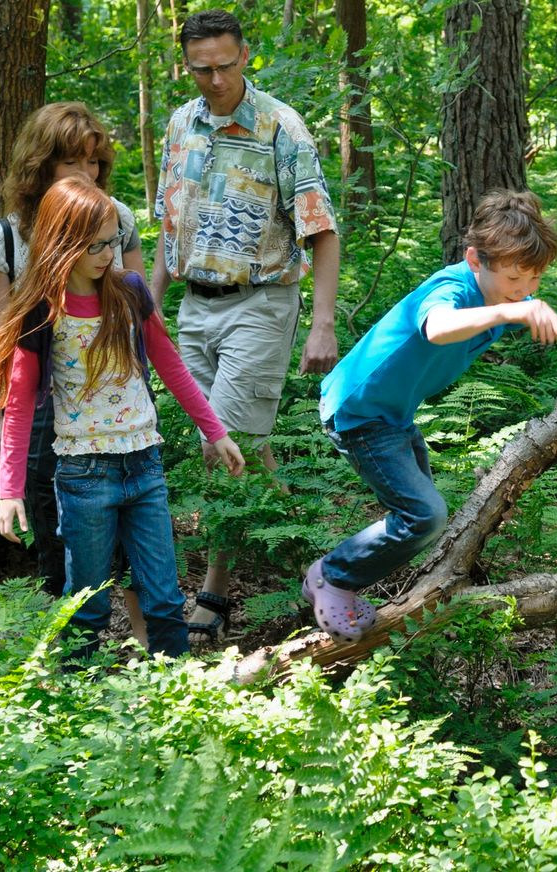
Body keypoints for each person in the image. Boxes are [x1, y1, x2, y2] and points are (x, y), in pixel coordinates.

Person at [308, 191, 557, 641]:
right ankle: (333, 577)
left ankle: (355, 583)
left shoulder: (503, 296)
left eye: (534, 280)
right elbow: (436, 327)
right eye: (514, 278)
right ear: (475, 259)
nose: (523, 290)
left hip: (393, 414)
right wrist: (506, 308)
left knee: (422, 521)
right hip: (359, 411)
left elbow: (554, 324)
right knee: (423, 517)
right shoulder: (454, 289)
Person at [0, 177, 246, 658]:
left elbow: (170, 364)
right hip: (84, 475)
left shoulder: (129, 291)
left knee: (165, 598)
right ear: (62, 243)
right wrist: (9, 491)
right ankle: (76, 698)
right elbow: (20, 406)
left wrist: (216, 431)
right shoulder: (42, 311)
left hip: (144, 464)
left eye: (113, 242)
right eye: (96, 245)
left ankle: (179, 690)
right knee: (88, 603)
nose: (109, 254)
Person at [152, 9, 343, 646]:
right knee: (247, 450)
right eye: (201, 68)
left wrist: (321, 325)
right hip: (192, 306)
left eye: (225, 66)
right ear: (187, 64)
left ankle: (213, 590)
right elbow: (166, 227)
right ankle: (309, 558)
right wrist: (145, 309)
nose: (214, 79)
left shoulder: (280, 127)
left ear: (245, 56)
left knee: (221, 442)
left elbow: (321, 230)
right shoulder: (180, 123)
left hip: (261, 302)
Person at [0, 102, 152, 643]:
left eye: (94, 162)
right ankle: (72, 660)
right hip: (39, 407)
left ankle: (156, 656)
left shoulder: (115, 219)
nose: (87, 174)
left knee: (135, 530)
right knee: (56, 536)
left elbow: (140, 317)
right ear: (40, 166)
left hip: (112, 399)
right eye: (71, 162)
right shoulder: (5, 238)